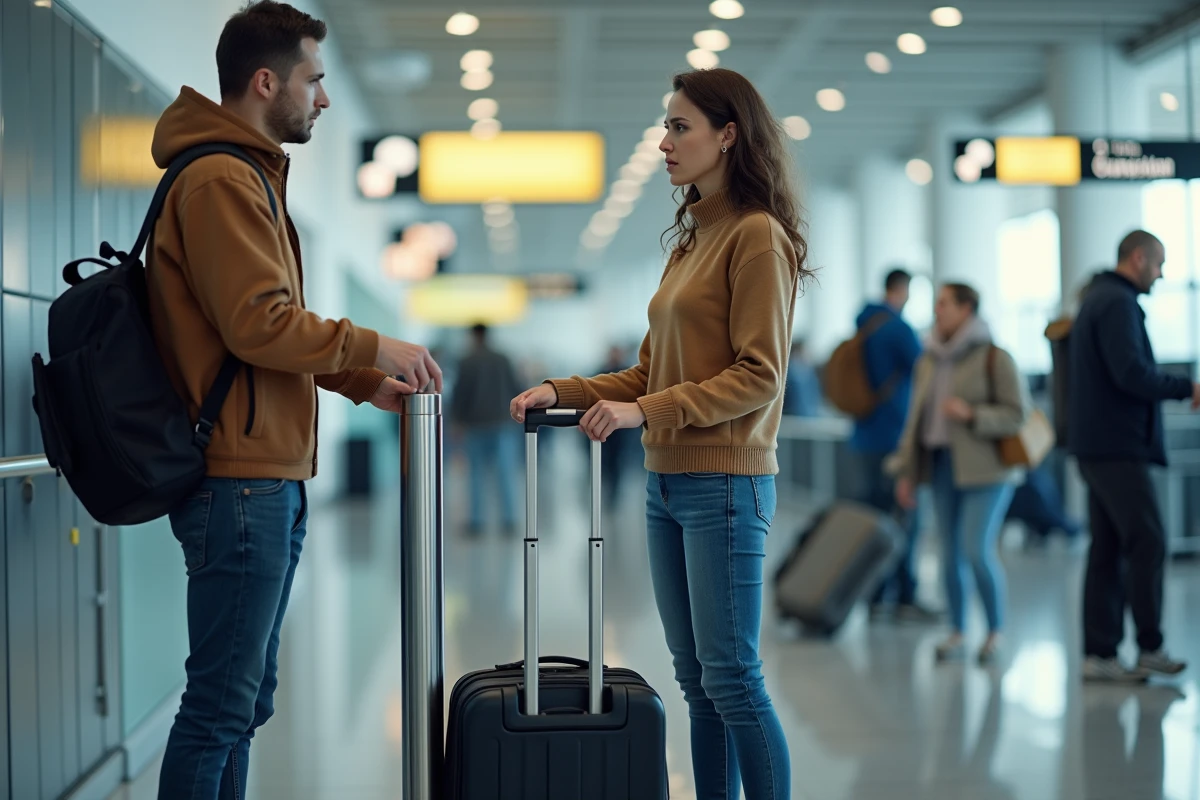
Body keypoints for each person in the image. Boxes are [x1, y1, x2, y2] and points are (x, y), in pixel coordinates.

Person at [144, 3, 442, 797]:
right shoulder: (218, 180)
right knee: (218, 709)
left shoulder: (248, 176)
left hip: (264, 478)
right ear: (266, 80)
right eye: (314, 80)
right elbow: (258, 324)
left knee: (241, 706)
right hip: (240, 484)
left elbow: (263, 332)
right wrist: (376, 345)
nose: (325, 99)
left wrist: (358, 380)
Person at [511, 67, 804, 800]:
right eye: (665, 125)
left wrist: (651, 412)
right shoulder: (690, 242)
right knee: (698, 683)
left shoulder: (757, 237)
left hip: (727, 484)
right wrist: (564, 391)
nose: (665, 141)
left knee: (733, 680)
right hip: (667, 484)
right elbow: (648, 372)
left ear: (727, 135)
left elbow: (761, 375)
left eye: (680, 126)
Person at [1068, 230, 1198, 682]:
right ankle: (1149, 646)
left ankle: (1100, 653)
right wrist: (1186, 388)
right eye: (1158, 264)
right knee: (1149, 540)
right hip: (1116, 446)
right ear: (1138, 258)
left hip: (1098, 445)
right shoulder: (1116, 303)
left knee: (1107, 548)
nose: (1161, 275)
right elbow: (1131, 374)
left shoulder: (1098, 298)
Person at [890, 283, 1028, 665]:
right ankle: (957, 630)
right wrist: (907, 473)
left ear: (967, 308)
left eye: (944, 303)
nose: (937, 310)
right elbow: (914, 421)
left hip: (989, 470)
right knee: (950, 554)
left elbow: (1017, 414)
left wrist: (973, 415)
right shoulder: (929, 359)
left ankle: (995, 630)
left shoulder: (994, 356)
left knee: (975, 549)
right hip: (942, 466)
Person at [848, 268, 936, 622]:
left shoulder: (863, 324)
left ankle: (875, 593)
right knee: (906, 518)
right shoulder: (898, 329)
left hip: (863, 436)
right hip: (894, 436)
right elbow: (924, 370)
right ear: (903, 290)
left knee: (876, 517)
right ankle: (904, 596)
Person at [450, 324, 522, 535]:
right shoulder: (504, 359)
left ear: (473, 336)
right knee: (506, 473)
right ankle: (509, 520)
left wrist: (457, 422)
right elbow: (516, 388)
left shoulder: (466, 361)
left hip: (475, 425)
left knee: (475, 474)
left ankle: (476, 521)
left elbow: (459, 395)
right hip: (503, 423)